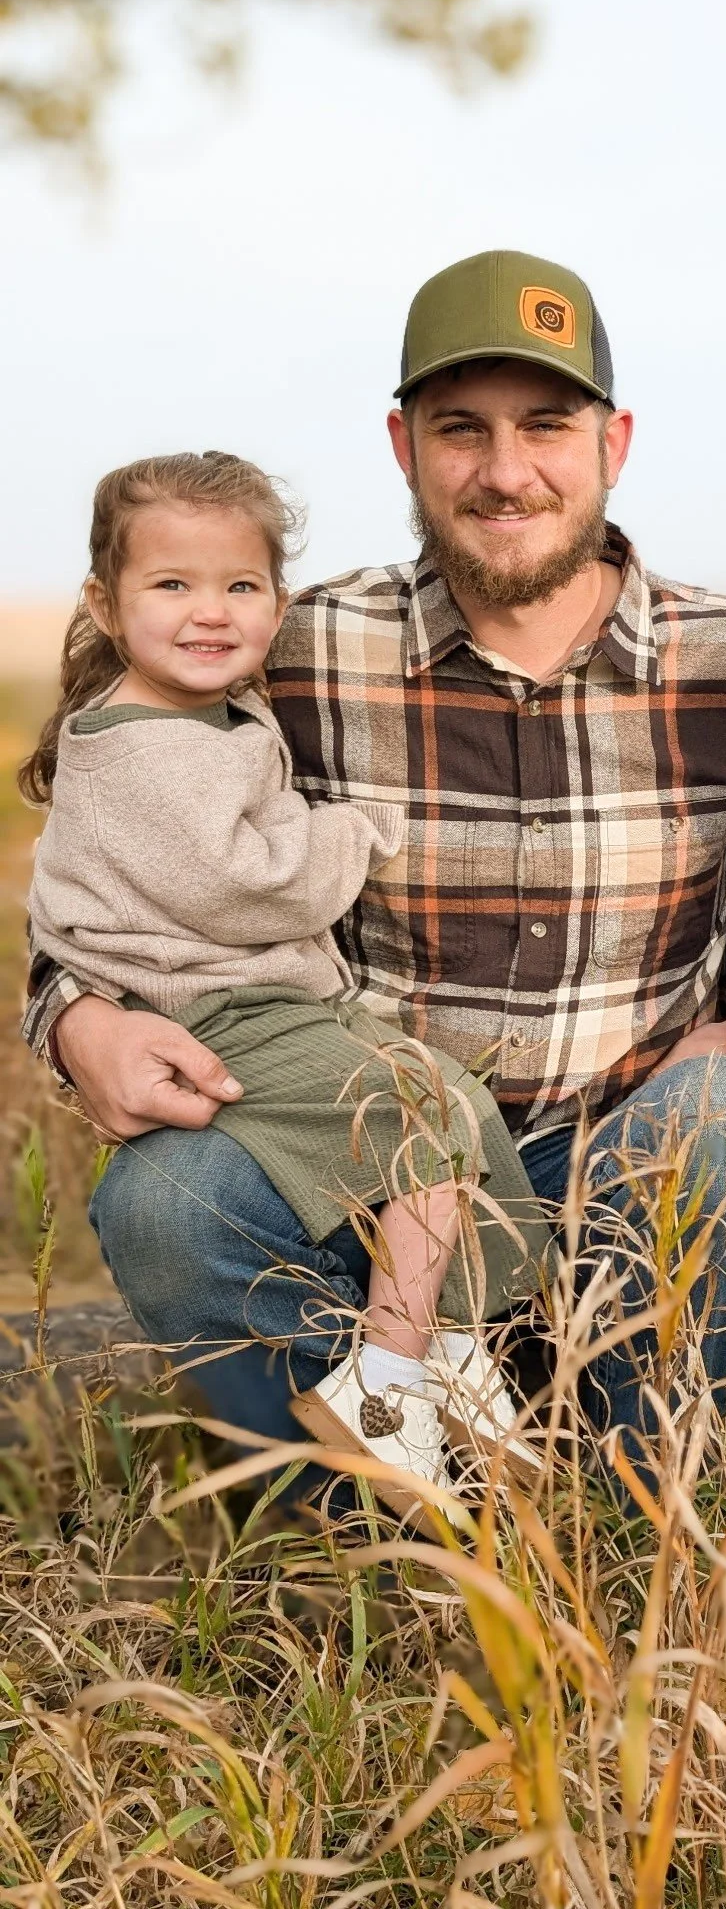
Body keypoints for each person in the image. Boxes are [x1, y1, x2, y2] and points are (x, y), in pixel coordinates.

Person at [22, 251, 726, 1473]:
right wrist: (75, 1019)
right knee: (166, 1203)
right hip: (360, 1158)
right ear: (403, 445)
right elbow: (123, 852)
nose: (507, 471)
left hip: (636, 1136)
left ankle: (629, 1504)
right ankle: (377, 1513)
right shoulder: (285, 649)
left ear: (615, 439)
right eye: (463, 429)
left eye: (546, 425)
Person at [22, 451, 547, 1521]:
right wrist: (352, 831)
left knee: (444, 1101)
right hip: (216, 1009)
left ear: (280, 597)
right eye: (172, 585)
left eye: (240, 586)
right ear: (105, 602)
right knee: (427, 1112)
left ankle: (444, 1345)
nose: (209, 612)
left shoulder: (193, 713)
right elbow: (248, 886)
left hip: (236, 1000)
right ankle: (389, 1377)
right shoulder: (157, 747)